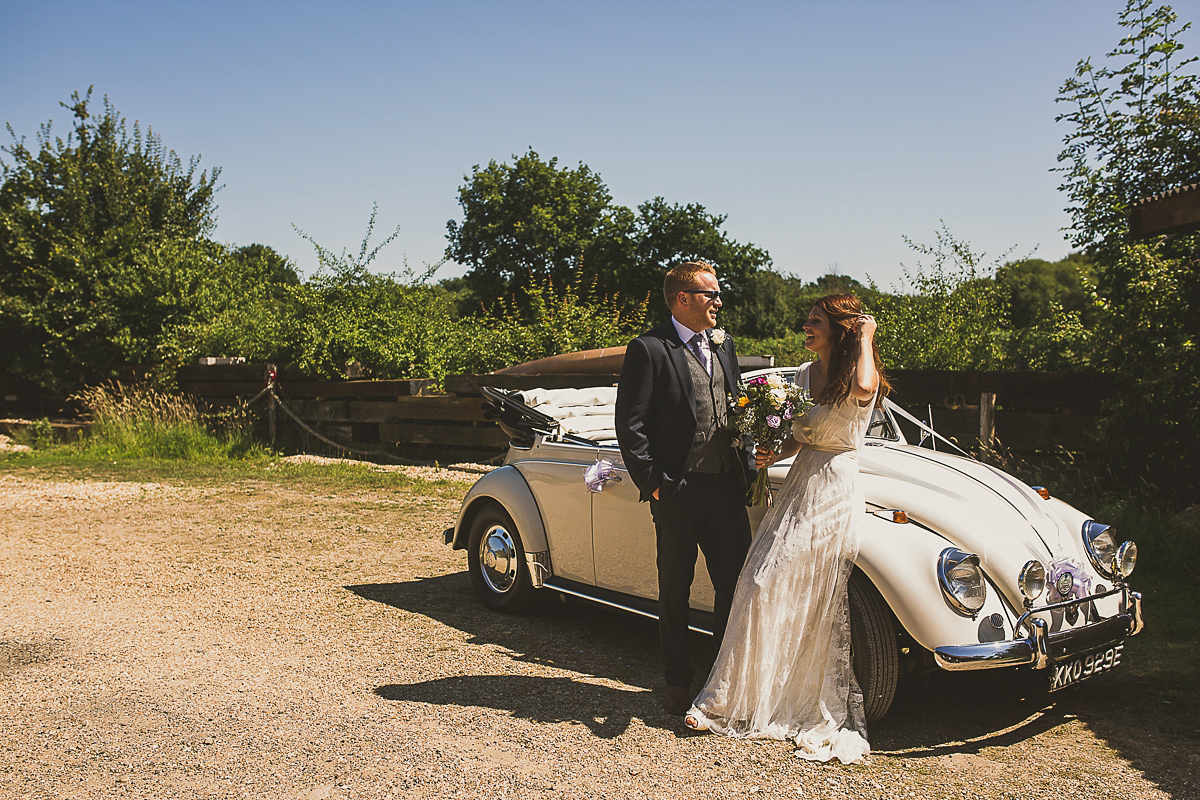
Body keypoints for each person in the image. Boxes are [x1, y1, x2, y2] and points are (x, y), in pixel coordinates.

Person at [684, 293, 891, 765]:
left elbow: (862, 391)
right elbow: (800, 435)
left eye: (815, 321)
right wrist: (771, 456)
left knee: (811, 593)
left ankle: (790, 699)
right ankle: (728, 699)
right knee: (760, 583)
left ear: (840, 329)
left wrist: (866, 336)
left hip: (836, 486)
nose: (806, 326)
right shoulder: (801, 375)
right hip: (800, 484)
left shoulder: (859, 370)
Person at [615, 260, 756, 716]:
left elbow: (736, 406)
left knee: (733, 586)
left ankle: (721, 677)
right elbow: (630, 424)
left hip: (725, 487)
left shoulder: (725, 344)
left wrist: (752, 457)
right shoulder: (650, 349)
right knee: (675, 586)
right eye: (710, 294)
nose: (719, 301)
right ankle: (677, 679)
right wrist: (654, 484)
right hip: (676, 489)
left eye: (718, 293)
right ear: (683, 298)